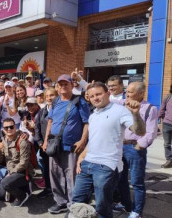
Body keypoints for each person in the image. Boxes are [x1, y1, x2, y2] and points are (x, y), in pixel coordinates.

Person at [72, 82, 146, 218]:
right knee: (77, 201)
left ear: (107, 94)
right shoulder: (93, 115)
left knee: (102, 206)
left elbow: (140, 131)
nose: (95, 98)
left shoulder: (120, 111)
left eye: (99, 94)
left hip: (106, 166)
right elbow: (93, 140)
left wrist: (135, 115)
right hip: (87, 164)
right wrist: (81, 158)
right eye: (92, 96)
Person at [42, 74, 90, 214]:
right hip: (54, 144)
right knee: (55, 174)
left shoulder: (79, 101)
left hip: (71, 145)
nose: (63, 87)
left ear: (71, 85)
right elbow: (50, 121)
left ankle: (73, 204)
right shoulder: (56, 101)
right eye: (60, 84)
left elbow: (87, 123)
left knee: (71, 176)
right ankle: (61, 202)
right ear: (57, 87)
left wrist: (83, 140)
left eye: (66, 84)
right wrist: (45, 140)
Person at [117, 82, 158, 218]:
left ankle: (136, 211)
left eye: (131, 92)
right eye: (127, 91)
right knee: (121, 179)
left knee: (137, 182)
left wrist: (140, 145)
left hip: (134, 148)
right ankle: (125, 204)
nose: (127, 94)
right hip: (120, 147)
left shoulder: (149, 108)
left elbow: (151, 132)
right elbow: (102, 96)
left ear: (141, 93)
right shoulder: (121, 103)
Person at [0, 118, 33, 207]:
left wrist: (11, 173)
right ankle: (20, 188)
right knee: (0, 195)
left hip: (23, 172)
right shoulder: (3, 140)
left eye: (11, 127)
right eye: (6, 128)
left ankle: (23, 195)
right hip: (11, 173)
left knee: (5, 183)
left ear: (15, 127)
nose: (9, 129)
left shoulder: (22, 141)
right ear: (3, 130)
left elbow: (24, 164)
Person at [34, 87, 58, 198]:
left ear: (57, 96)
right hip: (43, 147)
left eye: (51, 95)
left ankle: (59, 190)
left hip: (56, 146)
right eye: (47, 96)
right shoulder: (42, 111)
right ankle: (48, 188)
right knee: (46, 169)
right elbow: (37, 128)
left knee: (57, 169)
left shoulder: (60, 110)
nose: (49, 98)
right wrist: (39, 142)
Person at [158, 84, 172, 168]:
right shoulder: (168, 97)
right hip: (167, 124)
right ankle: (169, 160)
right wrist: (157, 121)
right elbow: (162, 110)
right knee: (167, 144)